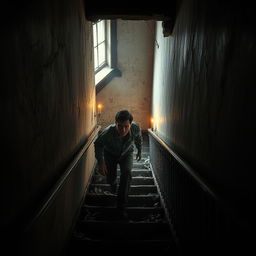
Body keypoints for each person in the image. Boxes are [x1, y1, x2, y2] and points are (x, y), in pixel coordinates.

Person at [94, 110, 142, 219]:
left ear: (130, 124)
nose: (123, 130)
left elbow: (139, 139)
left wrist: (139, 150)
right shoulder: (108, 132)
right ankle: (113, 183)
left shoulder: (135, 128)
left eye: (126, 126)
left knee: (127, 173)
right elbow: (98, 144)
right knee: (111, 177)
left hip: (127, 153)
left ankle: (121, 207)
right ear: (115, 123)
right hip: (110, 154)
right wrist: (101, 163)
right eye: (120, 126)